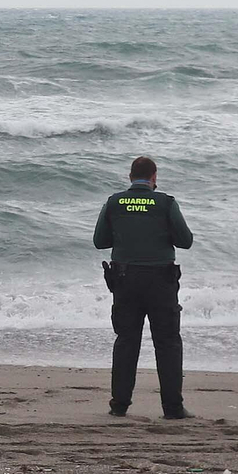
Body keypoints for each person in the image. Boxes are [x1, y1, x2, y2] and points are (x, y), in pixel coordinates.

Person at [94, 155, 195, 419]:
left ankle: (119, 406)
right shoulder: (165, 203)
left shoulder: (114, 202)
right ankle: (172, 409)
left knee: (126, 341)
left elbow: (99, 241)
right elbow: (185, 241)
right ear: (154, 178)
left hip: (125, 281)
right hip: (161, 282)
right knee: (168, 343)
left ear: (130, 177)